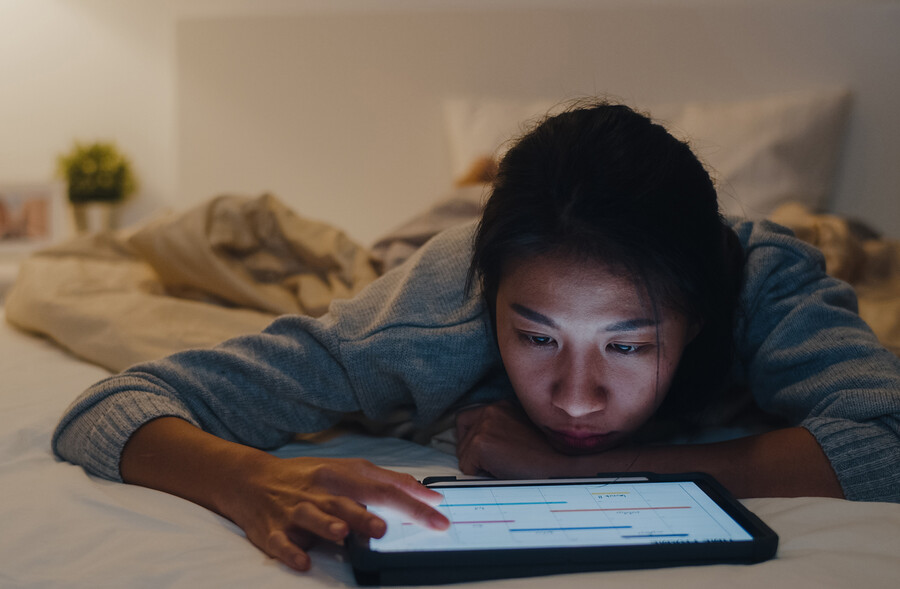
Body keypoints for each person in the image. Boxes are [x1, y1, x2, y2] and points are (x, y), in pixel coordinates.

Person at [53, 101, 900, 572]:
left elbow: (888, 437)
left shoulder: (761, 284)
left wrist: (574, 472)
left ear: (700, 317)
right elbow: (112, 405)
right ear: (491, 308)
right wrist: (249, 480)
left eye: (628, 346)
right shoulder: (430, 317)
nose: (576, 397)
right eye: (535, 337)